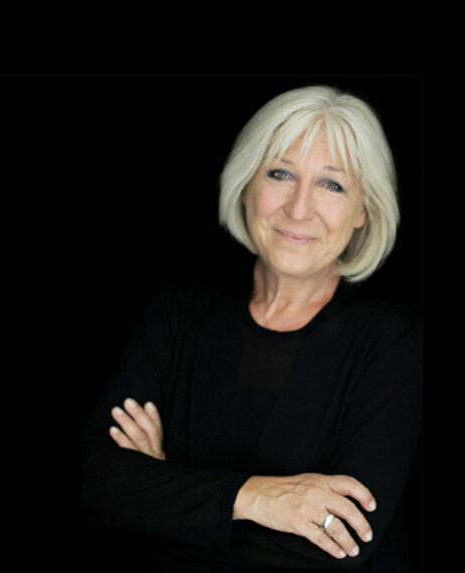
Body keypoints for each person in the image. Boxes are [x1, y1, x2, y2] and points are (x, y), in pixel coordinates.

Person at [79, 85, 422, 572]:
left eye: (332, 185)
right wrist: (254, 498)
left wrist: (163, 492)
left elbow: (339, 546)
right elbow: (97, 480)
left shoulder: (389, 341)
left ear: (363, 210)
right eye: (280, 174)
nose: (298, 208)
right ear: (246, 184)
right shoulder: (180, 315)